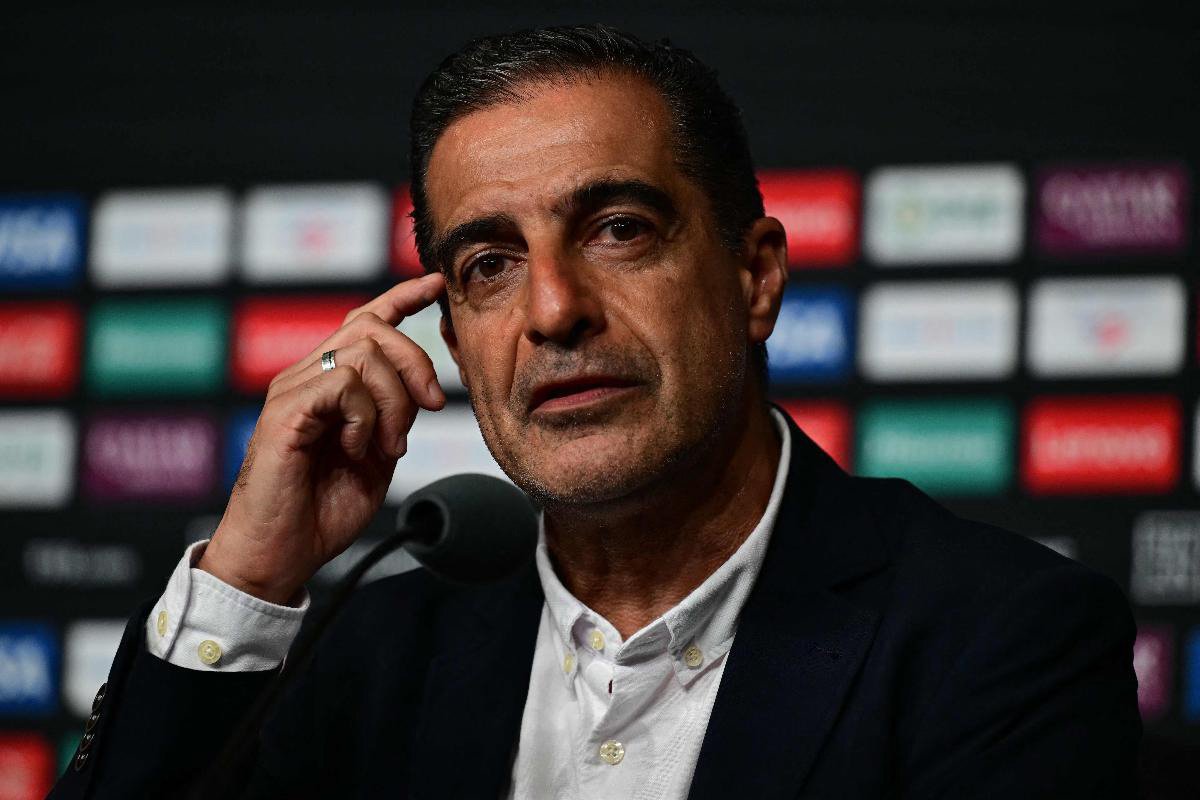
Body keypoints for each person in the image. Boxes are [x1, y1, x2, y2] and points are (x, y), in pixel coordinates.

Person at [51, 23, 1140, 799]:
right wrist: (248, 574)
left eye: (618, 227)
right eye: (488, 263)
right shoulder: (371, 651)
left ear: (755, 275)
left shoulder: (1001, 635)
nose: (554, 310)